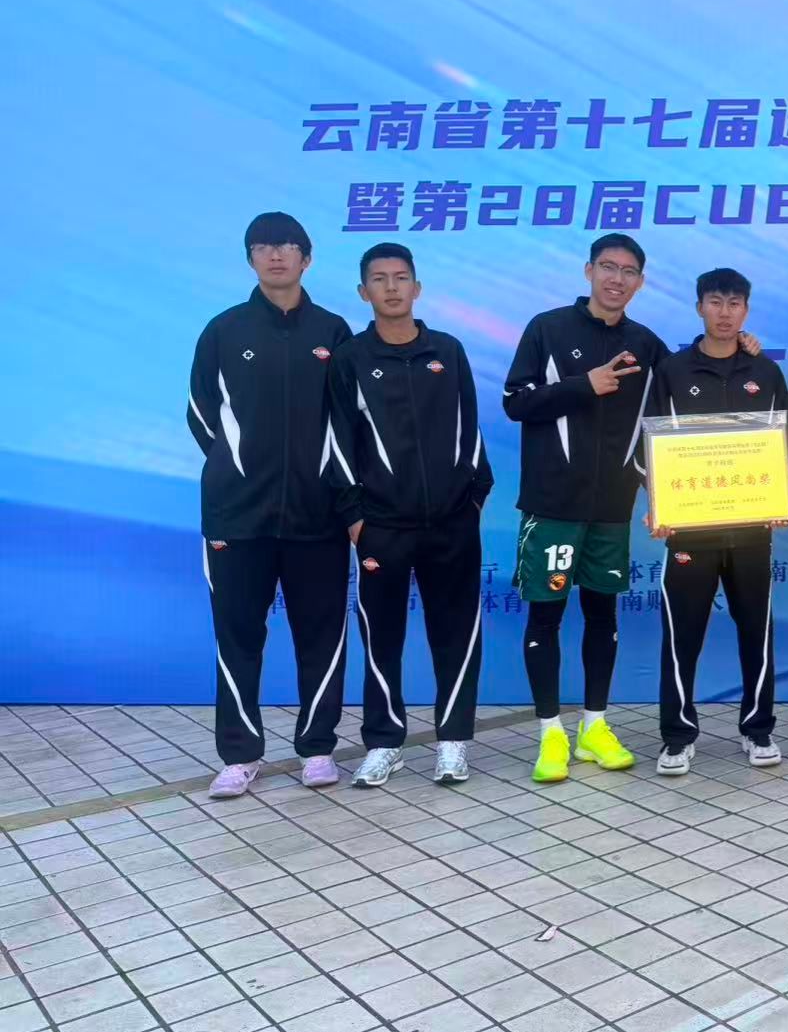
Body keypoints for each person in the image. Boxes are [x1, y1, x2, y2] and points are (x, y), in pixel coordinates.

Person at [188, 212, 353, 799]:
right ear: (250, 258)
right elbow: (202, 416)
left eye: (286, 246)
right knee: (237, 637)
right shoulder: (223, 331)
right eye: (262, 246)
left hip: (318, 516)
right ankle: (239, 754)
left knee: (322, 635)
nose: (275, 255)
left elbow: (349, 423)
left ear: (306, 258)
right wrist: (238, 471)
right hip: (237, 517)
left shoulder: (333, 333)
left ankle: (318, 748)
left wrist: (324, 485)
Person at [326, 244, 493, 787]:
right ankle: (384, 742)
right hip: (382, 528)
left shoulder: (448, 351)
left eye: (401, 278)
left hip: (452, 525)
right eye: (379, 279)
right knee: (382, 638)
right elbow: (337, 443)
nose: (392, 288)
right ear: (364, 292)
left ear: (417, 288)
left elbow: (471, 433)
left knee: (456, 633)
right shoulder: (351, 359)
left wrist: (471, 502)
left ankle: (453, 741)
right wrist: (356, 519)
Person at [503, 234, 666, 781]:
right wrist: (583, 385)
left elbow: (680, 401)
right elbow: (515, 402)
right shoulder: (547, 329)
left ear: (640, 281)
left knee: (603, 616)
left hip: (612, 511)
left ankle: (594, 727)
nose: (617, 279)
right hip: (552, 507)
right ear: (588, 270)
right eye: (607, 267)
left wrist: (744, 347)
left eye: (628, 271)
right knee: (545, 617)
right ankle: (550, 734)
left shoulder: (646, 345)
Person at [645, 268, 788, 776]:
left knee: (757, 633)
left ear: (746, 310)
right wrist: (660, 505)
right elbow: (651, 445)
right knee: (681, 637)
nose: (725, 313)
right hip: (690, 532)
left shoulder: (765, 373)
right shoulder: (673, 371)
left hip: (752, 531)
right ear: (699, 307)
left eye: (734, 303)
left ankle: (758, 729)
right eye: (715, 302)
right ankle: (677, 736)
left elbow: (783, 444)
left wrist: (781, 499)